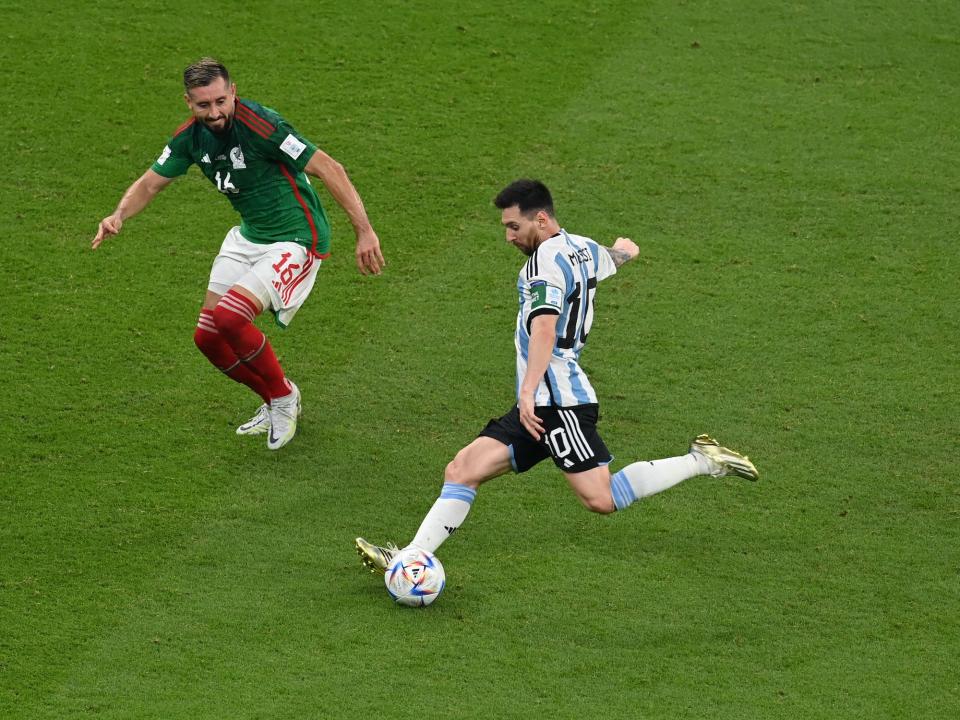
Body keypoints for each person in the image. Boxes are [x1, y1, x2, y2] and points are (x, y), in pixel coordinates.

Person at [356, 179, 757, 573]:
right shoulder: (582, 247)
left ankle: (702, 460)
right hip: (543, 402)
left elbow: (544, 328)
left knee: (602, 498)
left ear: (542, 220)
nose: (509, 238)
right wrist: (624, 251)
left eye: (514, 227)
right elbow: (610, 258)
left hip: (559, 403)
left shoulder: (541, 265)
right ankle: (411, 558)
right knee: (463, 470)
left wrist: (528, 393)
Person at [93, 58, 384, 450]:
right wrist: (119, 215)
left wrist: (364, 231)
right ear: (188, 103)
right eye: (203, 105)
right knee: (207, 337)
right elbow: (150, 183)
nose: (214, 113)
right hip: (248, 238)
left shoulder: (263, 126)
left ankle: (282, 398)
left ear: (233, 91)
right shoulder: (190, 138)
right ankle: (275, 400)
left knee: (231, 317)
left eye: (220, 101)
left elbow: (330, 168)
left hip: (295, 238)